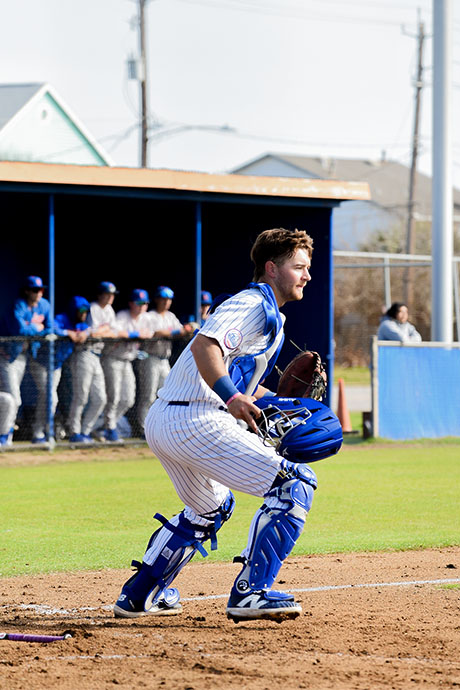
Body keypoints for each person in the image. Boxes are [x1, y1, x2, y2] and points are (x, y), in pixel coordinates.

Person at [113, 227, 317, 623]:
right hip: (195, 418)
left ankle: (139, 596)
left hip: (169, 419)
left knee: (210, 507)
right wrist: (231, 397)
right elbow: (207, 346)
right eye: (299, 267)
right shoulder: (252, 304)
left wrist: (278, 403)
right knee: (295, 483)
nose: (306, 275)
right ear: (272, 269)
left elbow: (243, 385)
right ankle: (251, 593)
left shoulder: (268, 314)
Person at [133, 286, 194, 437]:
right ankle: (143, 429)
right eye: (163, 299)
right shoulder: (149, 316)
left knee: (167, 394)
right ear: (157, 299)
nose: (166, 302)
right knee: (148, 396)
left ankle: (160, 428)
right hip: (150, 358)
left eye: (169, 299)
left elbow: (182, 331)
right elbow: (156, 333)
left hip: (164, 360)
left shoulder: (170, 316)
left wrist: (189, 328)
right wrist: (176, 331)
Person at [0, 276, 53, 446]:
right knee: (13, 398)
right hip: (8, 356)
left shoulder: (44, 305)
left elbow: (51, 328)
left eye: (41, 290)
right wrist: (38, 328)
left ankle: (10, 434)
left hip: (27, 355)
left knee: (14, 398)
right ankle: (5, 436)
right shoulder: (18, 305)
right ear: (27, 291)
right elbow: (20, 330)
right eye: (36, 290)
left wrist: (38, 330)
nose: (39, 293)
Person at [30, 296, 91, 443]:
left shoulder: (81, 324)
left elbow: (89, 329)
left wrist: (86, 333)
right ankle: (42, 431)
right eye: (81, 311)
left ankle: (40, 431)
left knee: (47, 398)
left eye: (86, 311)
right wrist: (66, 332)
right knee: (51, 397)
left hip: (56, 366)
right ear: (74, 310)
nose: (84, 314)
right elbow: (51, 328)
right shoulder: (62, 318)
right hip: (41, 362)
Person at [66, 281, 120, 443]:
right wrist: (106, 330)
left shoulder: (109, 310)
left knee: (101, 398)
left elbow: (115, 332)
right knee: (81, 396)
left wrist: (105, 331)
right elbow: (93, 333)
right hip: (84, 353)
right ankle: (74, 432)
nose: (110, 297)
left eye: (112, 294)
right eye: (107, 294)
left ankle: (85, 431)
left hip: (97, 355)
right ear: (100, 294)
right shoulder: (92, 308)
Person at [101, 289, 153, 442]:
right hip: (113, 358)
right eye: (139, 303)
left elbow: (150, 333)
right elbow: (117, 332)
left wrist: (136, 334)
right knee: (114, 396)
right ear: (131, 303)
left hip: (128, 360)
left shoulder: (146, 318)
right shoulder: (122, 316)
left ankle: (106, 425)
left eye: (144, 303)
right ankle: (109, 429)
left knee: (128, 399)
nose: (142, 306)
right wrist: (135, 334)